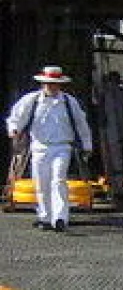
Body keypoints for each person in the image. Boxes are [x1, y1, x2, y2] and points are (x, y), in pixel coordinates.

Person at [7, 65, 93, 232]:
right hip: (39, 146)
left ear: (60, 84)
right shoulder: (31, 101)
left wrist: (87, 144)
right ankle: (45, 217)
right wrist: (14, 129)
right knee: (41, 182)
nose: (51, 86)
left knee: (58, 180)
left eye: (54, 83)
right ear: (43, 83)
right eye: (48, 83)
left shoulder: (69, 102)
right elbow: (16, 117)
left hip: (62, 147)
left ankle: (60, 217)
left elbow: (81, 124)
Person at [94, 70, 123, 197]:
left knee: (116, 160)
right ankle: (112, 187)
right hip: (106, 129)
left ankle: (119, 187)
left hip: (114, 131)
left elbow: (118, 114)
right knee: (108, 159)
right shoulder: (106, 93)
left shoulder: (116, 95)